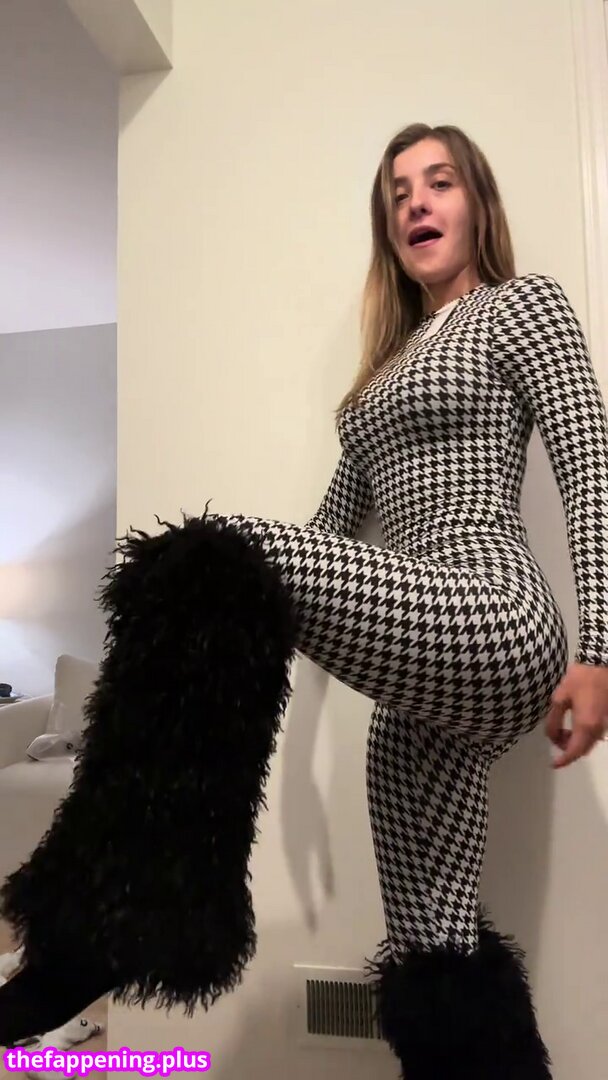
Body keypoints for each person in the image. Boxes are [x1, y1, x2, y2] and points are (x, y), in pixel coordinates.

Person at [1, 123, 608, 1079]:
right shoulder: (385, 369)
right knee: (435, 943)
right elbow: (328, 536)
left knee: (213, 556)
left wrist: (599, 650)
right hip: (421, 681)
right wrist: (244, 630)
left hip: (495, 613)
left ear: (477, 204)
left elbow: (590, 465)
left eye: (439, 182)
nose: (416, 202)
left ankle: (120, 916)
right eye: (398, 192)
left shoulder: (520, 306)